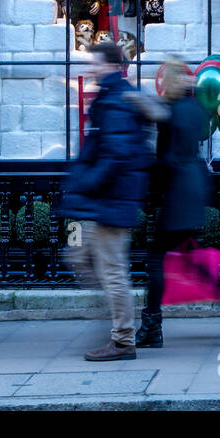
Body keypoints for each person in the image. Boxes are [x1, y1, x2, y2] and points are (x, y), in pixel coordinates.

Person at [136, 60, 220, 350]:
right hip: (193, 192)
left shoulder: (171, 113)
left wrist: (150, 193)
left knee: (155, 259)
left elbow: (167, 160)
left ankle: (151, 327)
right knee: (193, 261)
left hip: (177, 196)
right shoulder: (194, 109)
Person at [58, 42, 154, 361]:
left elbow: (117, 155)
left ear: (112, 65)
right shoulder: (111, 97)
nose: (91, 68)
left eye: (96, 63)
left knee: (113, 271)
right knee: (77, 255)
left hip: (111, 200)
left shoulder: (116, 101)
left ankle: (123, 339)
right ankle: (116, 317)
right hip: (103, 199)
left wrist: (87, 184)